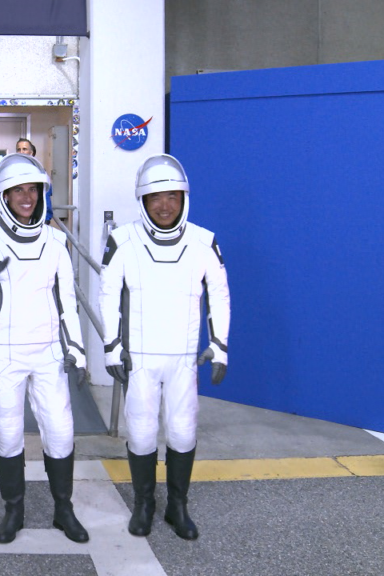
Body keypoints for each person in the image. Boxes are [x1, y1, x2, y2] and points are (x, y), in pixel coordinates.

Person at [0, 153, 89, 545]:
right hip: (2, 353)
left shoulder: (57, 240)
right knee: (9, 435)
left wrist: (76, 351)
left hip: (48, 353)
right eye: (18, 191)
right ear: (3, 197)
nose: (27, 198)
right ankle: (15, 510)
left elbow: (68, 302)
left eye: (33, 190)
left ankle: (64, 509)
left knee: (61, 433)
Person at [98, 153, 230, 541]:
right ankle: (144, 503)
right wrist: (111, 347)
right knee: (139, 434)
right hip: (139, 357)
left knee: (183, 432)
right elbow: (108, 296)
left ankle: (177, 505)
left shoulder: (204, 241)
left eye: (172, 195)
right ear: (142, 199)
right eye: (156, 196)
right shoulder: (122, 240)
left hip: (183, 359)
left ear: (184, 197)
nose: (165, 204)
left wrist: (220, 346)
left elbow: (219, 295)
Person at [16, 138, 54, 224]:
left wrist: (45, 219)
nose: (21, 152)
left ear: (31, 152)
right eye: (19, 149)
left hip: (37, 220)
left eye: (24, 149)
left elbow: (46, 194)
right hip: (17, 220)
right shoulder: (12, 171)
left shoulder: (39, 171)